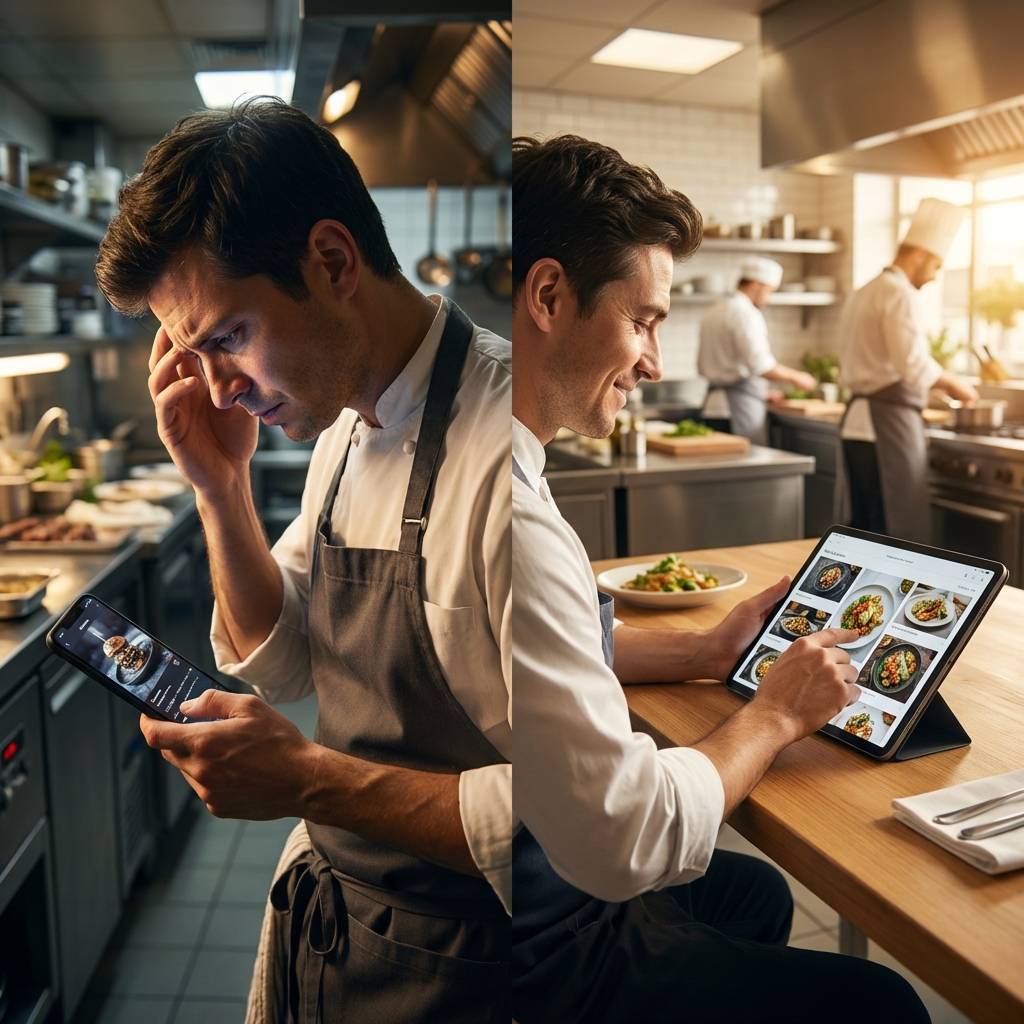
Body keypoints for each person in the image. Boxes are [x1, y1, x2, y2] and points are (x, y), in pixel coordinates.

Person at [95, 99, 510, 1023]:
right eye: (195, 354)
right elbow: (283, 663)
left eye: (228, 339)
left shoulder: (505, 454)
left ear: (331, 262)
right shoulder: (342, 412)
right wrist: (219, 487)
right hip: (347, 920)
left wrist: (310, 779)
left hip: (484, 958)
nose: (218, 388)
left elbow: (565, 817)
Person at [510, 133, 930, 1024]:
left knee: (754, 899)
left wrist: (707, 643)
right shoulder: (511, 517)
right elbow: (630, 836)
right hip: (536, 948)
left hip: (517, 880)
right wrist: (774, 714)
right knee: (882, 1003)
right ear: (547, 294)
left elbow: (543, 648)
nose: (655, 363)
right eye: (644, 321)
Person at [836, 198, 979, 543]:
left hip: (857, 421)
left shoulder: (865, 290)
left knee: (862, 524)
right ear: (919, 256)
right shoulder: (899, 293)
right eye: (937, 266)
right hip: (886, 424)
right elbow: (911, 362)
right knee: (893, 528)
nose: (935, 276)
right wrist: (955, 385)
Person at [698, 256, 818, 444]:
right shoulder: (746, 313)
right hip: (738, 409)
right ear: (755, 284)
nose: (769, 299)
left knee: (720, 469)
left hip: (713, 407)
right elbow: (761, 365)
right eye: (769, 291)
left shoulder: (715, 311)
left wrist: (760, 392)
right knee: (744, 469)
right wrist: (797, 377)